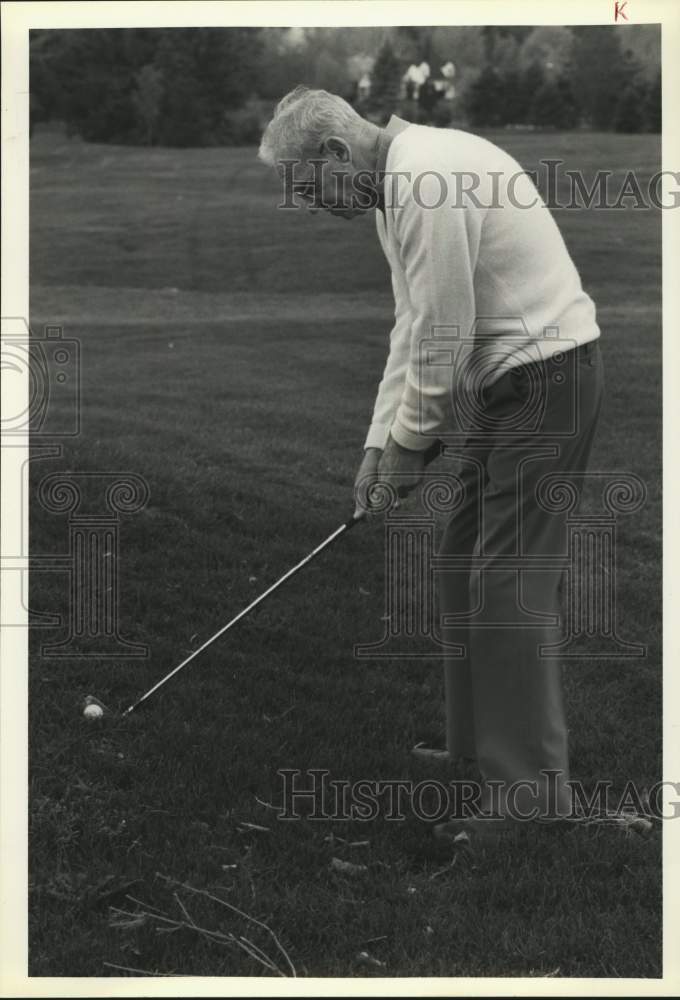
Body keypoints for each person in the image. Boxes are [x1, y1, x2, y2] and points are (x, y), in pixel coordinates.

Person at [257, 87, 604, 835]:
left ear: (337, 153)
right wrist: (377, 446)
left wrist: (411, 448)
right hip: (505, 385)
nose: (315, 206)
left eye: (311, 189)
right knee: (459, 562)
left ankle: (527, 799)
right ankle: (476, 746)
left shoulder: (423, 178)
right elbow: (412, 324)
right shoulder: (397, 184)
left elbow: (446, 331)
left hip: (547, 380)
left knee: (505, 583)